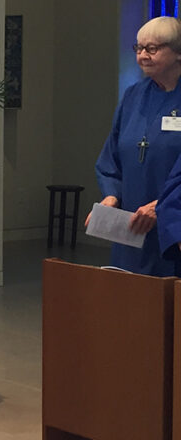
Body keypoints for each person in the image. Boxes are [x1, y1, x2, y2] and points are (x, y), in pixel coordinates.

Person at [92, 16, 181, 277]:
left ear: (177, 52)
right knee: (131, 296)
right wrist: (111, 196)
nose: (142, 55)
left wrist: (161, 206)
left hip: (173, 229)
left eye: (152, 48)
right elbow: (111, 156)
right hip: (132, 227)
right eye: (139, 48)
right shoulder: (133, 96)